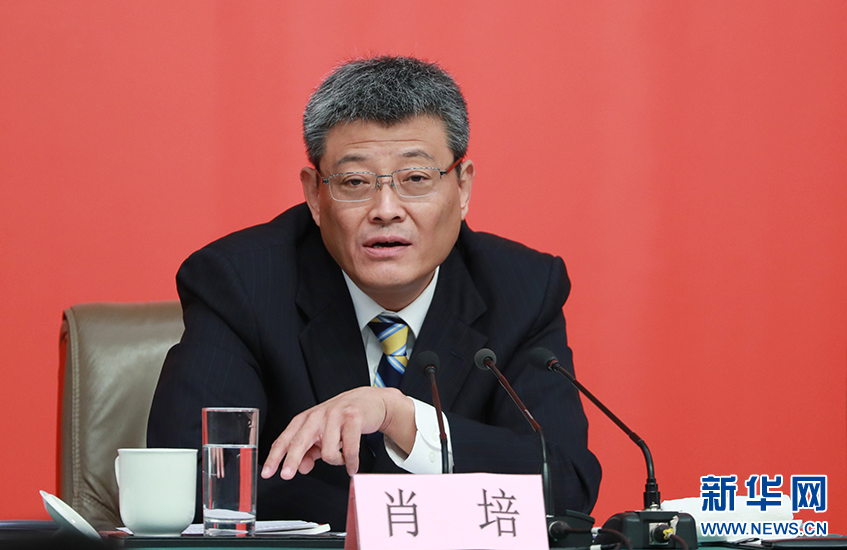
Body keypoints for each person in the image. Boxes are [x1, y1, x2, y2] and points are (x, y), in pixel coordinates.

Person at [147, 55, 601, 531]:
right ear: (315, 195)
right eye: (355, 182)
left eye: (416, 179)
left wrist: (402, 419)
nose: (386, 210)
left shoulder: (523, 288)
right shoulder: (242, 282)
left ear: (463, 187)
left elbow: (564, 485)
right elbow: (189, 481)